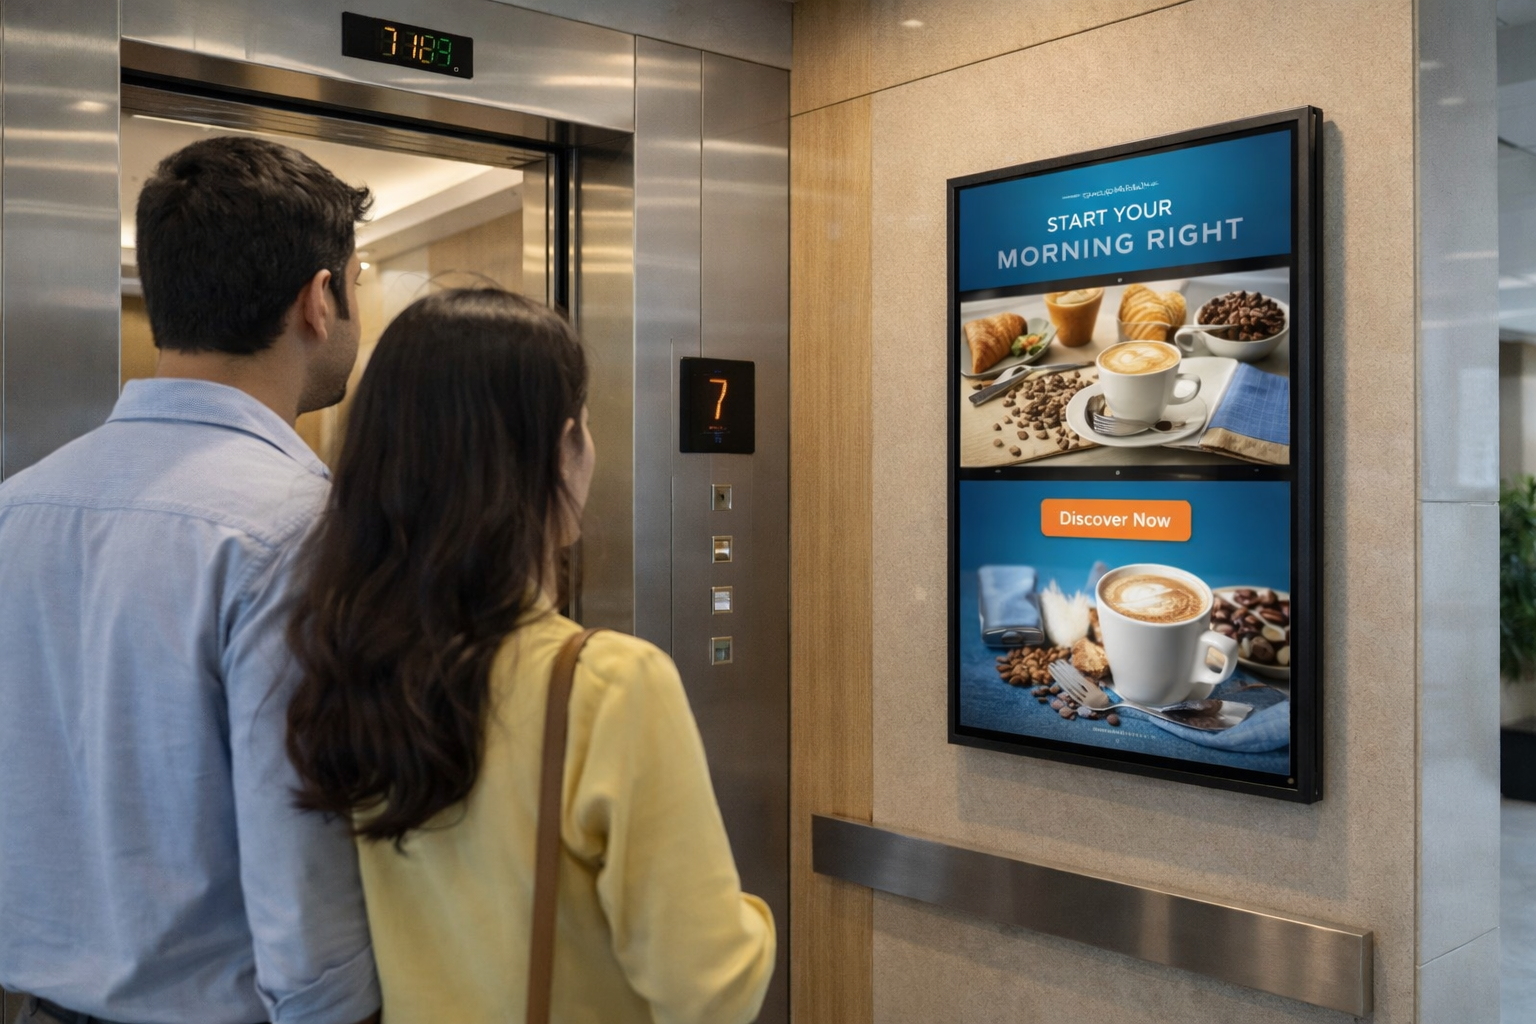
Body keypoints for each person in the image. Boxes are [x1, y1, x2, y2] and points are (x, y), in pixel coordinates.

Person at [284, 289, 776, 1024]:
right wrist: (748, 920)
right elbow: (709, 987)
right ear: (563, 450)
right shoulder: (609, 685)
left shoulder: (349, 661)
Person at [0, 136, 381, 1024]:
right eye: (354, 285)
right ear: (320, 300)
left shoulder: (17, 508)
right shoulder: (298, 528)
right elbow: (304, 855)